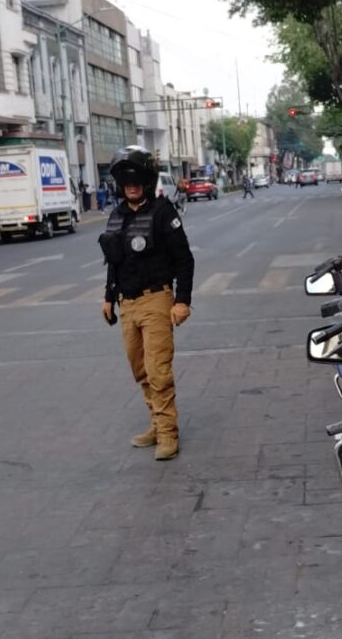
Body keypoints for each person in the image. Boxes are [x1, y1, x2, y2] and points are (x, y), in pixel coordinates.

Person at [98, 146, 195, 461]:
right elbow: (114, 260)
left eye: (137, 181)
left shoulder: (163, 212)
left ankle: (168, 433)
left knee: (158, 371)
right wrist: (109, 297)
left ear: (147, 182)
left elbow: (184, 259)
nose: (132, 186)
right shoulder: (117, 215)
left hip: (156, 299)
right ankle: (156, 423)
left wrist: (182, 301)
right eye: (127, 182)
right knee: (140, 369)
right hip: (127, 304)